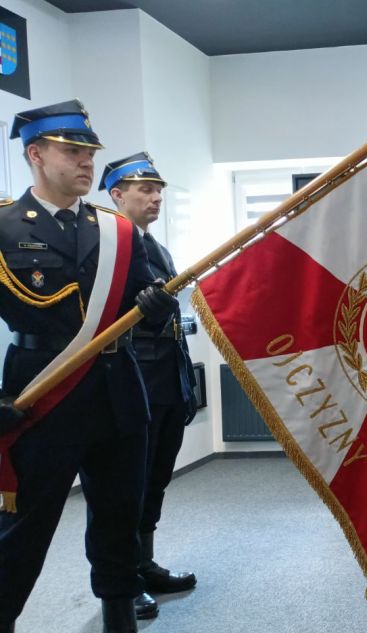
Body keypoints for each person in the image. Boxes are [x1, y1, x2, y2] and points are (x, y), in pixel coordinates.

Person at [0, 100, 179, 633]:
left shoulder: (116, 230)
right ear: (35, 154)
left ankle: (119, 620)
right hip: (39, 395)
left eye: (90, 153)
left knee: (119, 521)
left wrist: (155, 307)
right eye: (72, 152)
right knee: (22, 530)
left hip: (118, 393)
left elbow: (139, 307)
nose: (86, 163)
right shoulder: (3, 225)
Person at [101, 153, 198, 618]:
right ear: (117, 195)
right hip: (132, 379)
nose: (156, 197)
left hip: (166, 380)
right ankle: (124, 581)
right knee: (126, 487)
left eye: (159, 190)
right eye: (145, 189)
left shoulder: (154, 247)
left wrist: (184, 386)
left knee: (155, 479)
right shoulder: (108, 245)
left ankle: (144, 564)